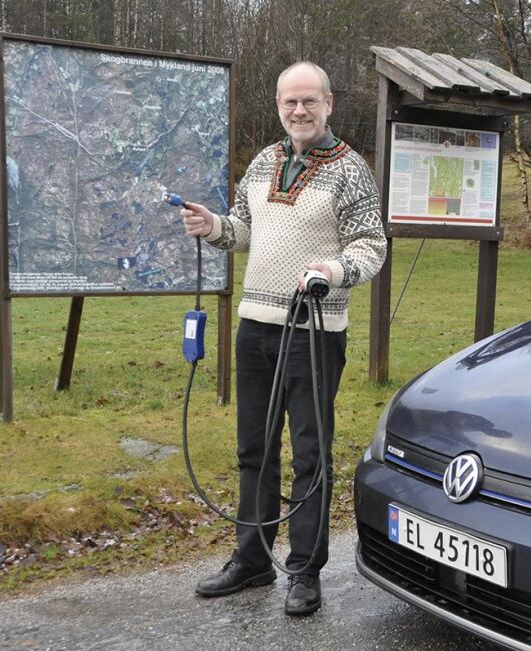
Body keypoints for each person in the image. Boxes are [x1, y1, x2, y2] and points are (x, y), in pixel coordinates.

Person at [181, 61, 386, 616]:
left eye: (309, 101)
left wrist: (332, 271)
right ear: (277, 105)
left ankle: (304, 570)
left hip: (313, 331)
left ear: (329, 103)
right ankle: (251, 560)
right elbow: (245, 228)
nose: (299, 111)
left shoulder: (351, 170)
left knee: (311, 455)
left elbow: (372, 246)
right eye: (289, 102)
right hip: (255, 328)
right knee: (255, 448)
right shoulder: (264, 161)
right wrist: (214, 227)